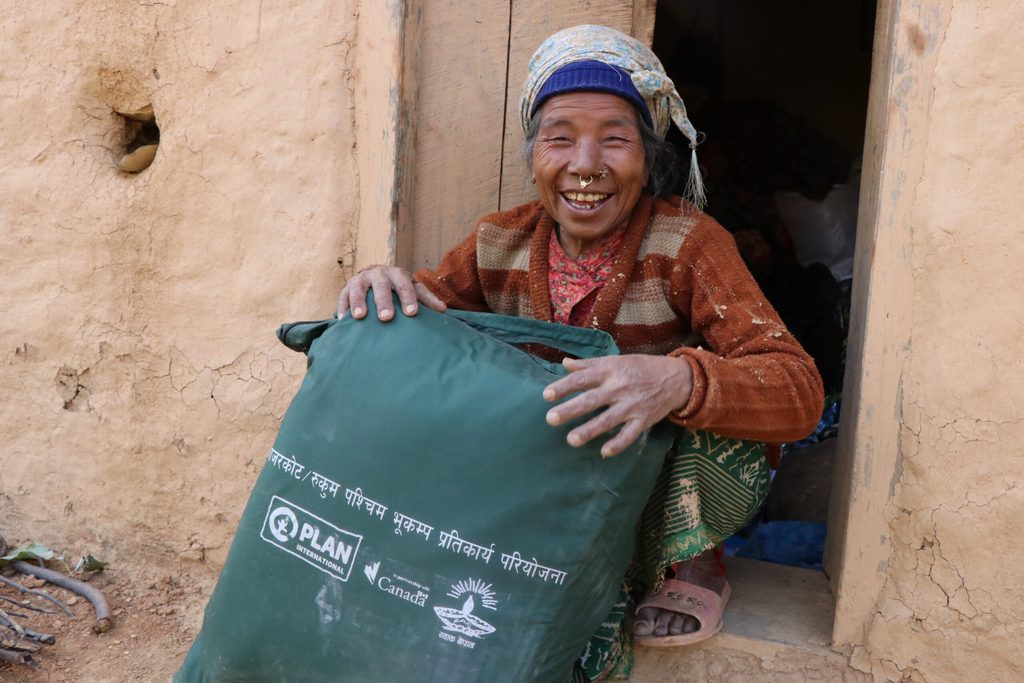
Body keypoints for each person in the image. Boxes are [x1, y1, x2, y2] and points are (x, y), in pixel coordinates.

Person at [336, 24, 823, 681]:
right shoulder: (496, 242)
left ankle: (690, 561)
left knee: (721, 411)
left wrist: (675, 381)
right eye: (560, 137)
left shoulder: (690, 242)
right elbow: (424, 320)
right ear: (534, 153)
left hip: (645, 491)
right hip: (539, 488)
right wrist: (383, 283)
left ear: (649, 160)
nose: (586, 163)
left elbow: (797, 389)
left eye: (616, 138)